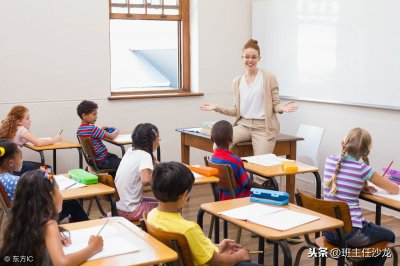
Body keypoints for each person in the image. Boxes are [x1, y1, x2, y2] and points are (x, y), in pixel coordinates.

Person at [148, 162, 263, 266]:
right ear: (184, 195)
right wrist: (238, 256)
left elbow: (196, 249)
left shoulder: (151, 216)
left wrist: (218, 247)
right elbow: (218, 262)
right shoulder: (189, 229)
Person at [200, 39, 298, 156]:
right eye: (247, 57)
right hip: (243, 126)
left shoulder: (268, 78)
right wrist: (217, 107)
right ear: (242, 58)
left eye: (253, 57)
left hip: (263, 128)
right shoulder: (237, 81)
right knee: (218, 146)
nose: (250, 60)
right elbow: (236, 110)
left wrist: (282, 108)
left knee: (262, 165)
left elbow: (275, 105)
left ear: (259, 59)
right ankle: (231, 174)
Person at [323, 127, 399, 266]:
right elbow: (394, 189)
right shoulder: (363, 169)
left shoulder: (330, 161)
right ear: (367, 151)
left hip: (329, 230)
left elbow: (344, 181)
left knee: (373, 240)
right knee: (389, 236)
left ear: (343, 143)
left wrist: (362, 186)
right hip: (351, 233)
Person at [0, 170, 103, 266]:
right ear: (49, 197)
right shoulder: (49, 224)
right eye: (58, 190)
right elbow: (62, 263)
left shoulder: (15, 221)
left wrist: (53, 238)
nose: (61, 196)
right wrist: (93, 247)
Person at [0, 139, 89, 223]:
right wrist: (48, 176)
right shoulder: (14, 181)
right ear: (11, 163)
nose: (22, 160)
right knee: (73, 203)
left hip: (19, 219)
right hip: (35, 220)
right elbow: (43, 191)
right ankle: (87, 227)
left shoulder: (5, 179)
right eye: (21, 157)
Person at [211, 120, 275, 200]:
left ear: (212, 138)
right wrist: (266, 189)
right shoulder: (234, 160)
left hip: (223, 198)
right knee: (273, 190)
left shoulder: (213, 158)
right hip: (240, 198)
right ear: (231, 138)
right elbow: (247, 184)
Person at [115, 123, 160, 222]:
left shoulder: (130, 151)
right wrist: (162, 179)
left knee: (163, 202)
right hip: (131, 211)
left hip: (118, 207)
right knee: (172, 207)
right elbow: (145, 180)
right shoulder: (145, 156)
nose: (159, 142)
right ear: (151, 141)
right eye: (158, 139)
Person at [0, 105, 62, 174]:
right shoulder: (20, 129)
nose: (30, 121)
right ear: (18, 122)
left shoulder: (9, 129)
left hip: (5, 166)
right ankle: (46, 185)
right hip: (15, 168)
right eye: (27, 118)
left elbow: (31, 140)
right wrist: (55, 139)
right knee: (47, 169)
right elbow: (38, 142)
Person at [76, 100, 121, 177]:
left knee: (114, 158)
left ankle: (112, 182)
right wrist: (117, 130)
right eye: (94, 114)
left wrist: (100, 130)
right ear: (84, 115)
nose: (96, 116)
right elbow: (112, 136)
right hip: (102, 161)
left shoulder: (80, 130)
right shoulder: (92, 128)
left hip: (92, 161)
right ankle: (116, 183)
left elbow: (93, 134)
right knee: (122, 163)